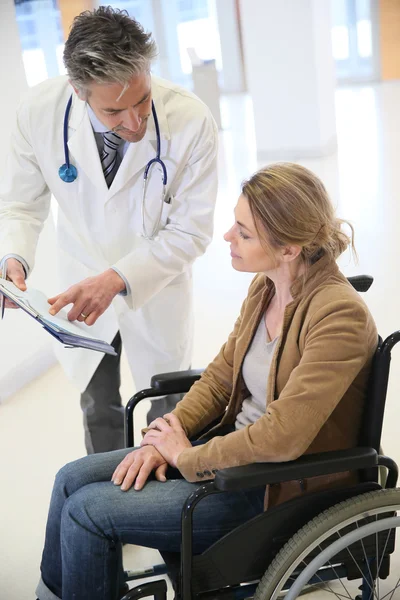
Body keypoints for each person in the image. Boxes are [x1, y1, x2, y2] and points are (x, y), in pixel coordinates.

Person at [36, 163, 378, 600]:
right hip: (230, 458)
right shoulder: (267, 288)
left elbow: (285, 438)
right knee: (71, 478)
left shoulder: (337, 316)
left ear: (289, 248)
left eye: (244, 231)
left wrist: (188, 457)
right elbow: (219, 380)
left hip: (274, 488)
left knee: (89, 511)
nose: (227, 237)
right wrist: (165, 437)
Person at [0, 7, 218, 453]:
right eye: (115, 110)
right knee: (99, 408)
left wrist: (118, 277)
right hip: (80, 284)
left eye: (142, 100)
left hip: (154, 287)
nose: (135, 122)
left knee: (167, 409)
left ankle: (160, 508)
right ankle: (108, 504)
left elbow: (191, 231)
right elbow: (22, 205)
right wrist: (14, 258)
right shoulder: (39, 113)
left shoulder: (191, 121)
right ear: (78, 92)